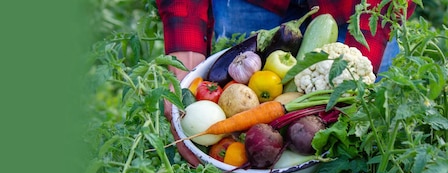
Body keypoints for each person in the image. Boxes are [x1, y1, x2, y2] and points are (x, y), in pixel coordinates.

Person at [157, 0, 414, 117]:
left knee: (358, 135)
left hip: (357, 8)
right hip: (251, 4)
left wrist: (353, 76)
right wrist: (186, 61)